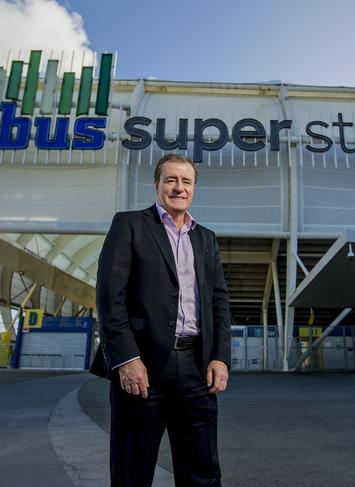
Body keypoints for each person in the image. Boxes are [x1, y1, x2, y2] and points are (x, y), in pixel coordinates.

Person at [95, 153, 232, 486]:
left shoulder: (205, 237)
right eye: (171, 179)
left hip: (196, 367)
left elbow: (218, 300)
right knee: (132, 470)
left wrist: (221, 357)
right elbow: (110, 296)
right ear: (156, 184)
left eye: (186, 181)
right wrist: (127, 359)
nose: (178, 187)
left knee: (202, 470)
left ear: (194, 188)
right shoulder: (129, 224)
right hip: (143, 366)